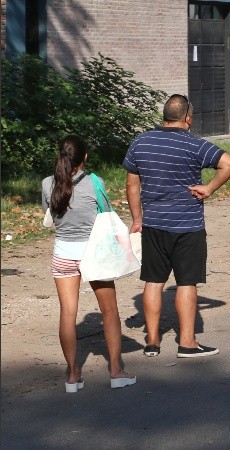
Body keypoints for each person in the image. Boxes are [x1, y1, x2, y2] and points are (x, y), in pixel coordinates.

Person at [124, 94, 230, 358]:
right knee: (186, 283)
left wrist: (137, 219)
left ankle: (152, 342)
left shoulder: (141, 142)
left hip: (153, 224)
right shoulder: (194, 144)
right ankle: (187, 343)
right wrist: (209, 188)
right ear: (187, 117)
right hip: (188, 225)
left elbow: (132, 184)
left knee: (153, 281)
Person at [42, 136, 137, 392]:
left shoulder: (47, 184)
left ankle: (72, 376)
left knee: (67, 314)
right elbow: (106, 215)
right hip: (95, 254)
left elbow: (50, 217)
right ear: (84, 157)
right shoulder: (95, 182)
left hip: (63, 254)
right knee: (110, 312)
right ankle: (116, 371)